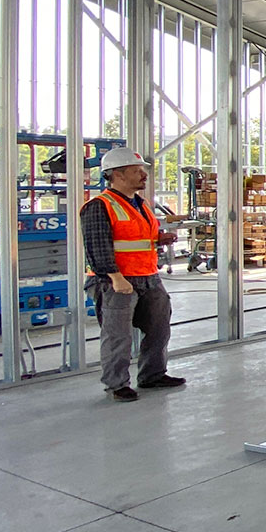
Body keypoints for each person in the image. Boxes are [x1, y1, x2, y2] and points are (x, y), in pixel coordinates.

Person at [80, 148, 185, 401]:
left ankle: (153, 374)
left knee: (159, 328)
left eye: (143, 170)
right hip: (116, 280)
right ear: (117, 174)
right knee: (118, 335)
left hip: (148, 276)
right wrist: (116, 277)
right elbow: (97, 246)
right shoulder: (99, 206)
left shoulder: (141, 205)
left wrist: (160, 238)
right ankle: (117, 384)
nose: (143, 175)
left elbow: (135, 238)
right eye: (137, 171)